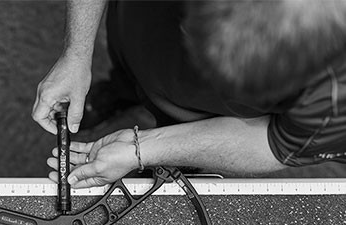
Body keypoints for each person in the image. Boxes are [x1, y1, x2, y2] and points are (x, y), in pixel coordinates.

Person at [32, 0, 346, 188]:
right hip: (139, 23)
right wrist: (76, 52)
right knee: (133, 68)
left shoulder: (337, 102)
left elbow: (274, 142)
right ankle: (122, 89)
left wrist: (144, 149)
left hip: (214, 111)